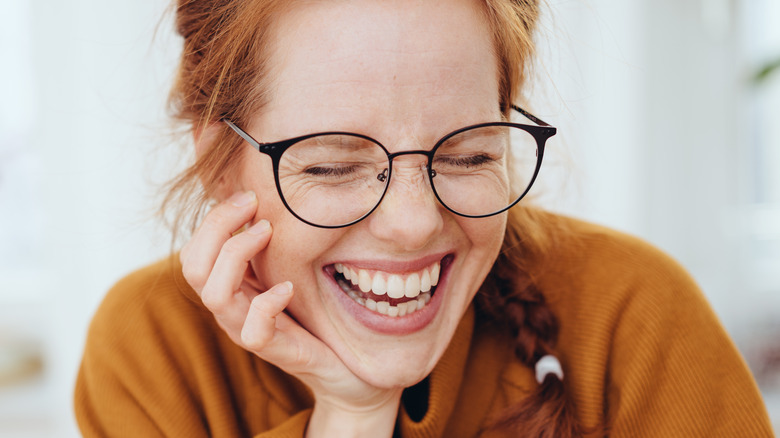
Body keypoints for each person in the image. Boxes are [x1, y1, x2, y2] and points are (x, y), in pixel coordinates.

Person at [74, 0, 775, 436]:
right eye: (331, 166)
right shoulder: (152, 348)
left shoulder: (634, 312)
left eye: (468, 156)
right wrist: (350, 415)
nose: (413, 223)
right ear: (218, 159)